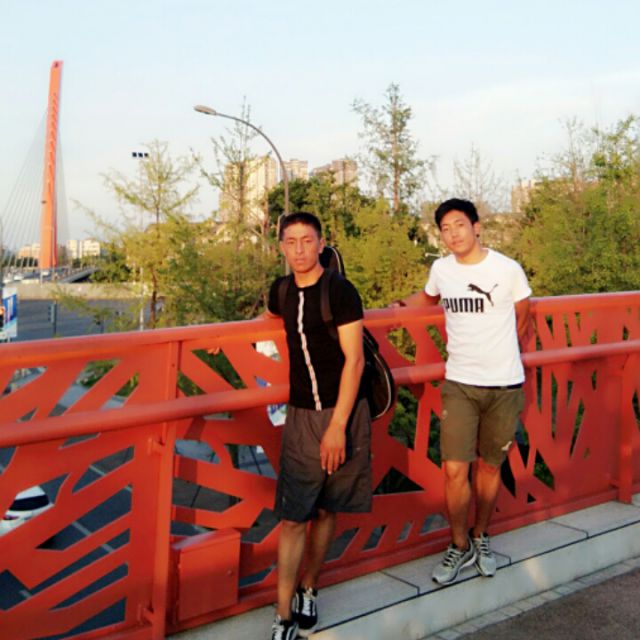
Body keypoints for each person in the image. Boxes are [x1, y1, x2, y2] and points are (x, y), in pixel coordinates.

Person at [392, 198, 531, 586]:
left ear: (476, 227)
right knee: (454, 468)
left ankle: (481, 535)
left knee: (489, 466)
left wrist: (501, 355)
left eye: (459, 225)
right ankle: (458, 544)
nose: (452, 234)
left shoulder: (507, 269)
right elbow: (428, 299)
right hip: (459, 384)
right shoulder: (441, 269)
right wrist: (397, 308)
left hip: (504, 384)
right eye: (445, 229)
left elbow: (523, 317)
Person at [264, 212, 372, 639]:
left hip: (343, 412)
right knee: (294, 516)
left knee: (327, 508)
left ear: (321, 243)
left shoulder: (340, 291)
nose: (299, 250)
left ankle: (309, 586)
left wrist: (338, 426)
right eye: (290, 242)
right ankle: (282, 615)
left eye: (306, 241)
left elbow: (355, 361)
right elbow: (267, 314)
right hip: (301, 416)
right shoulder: (281, 290)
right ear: (281, 247)